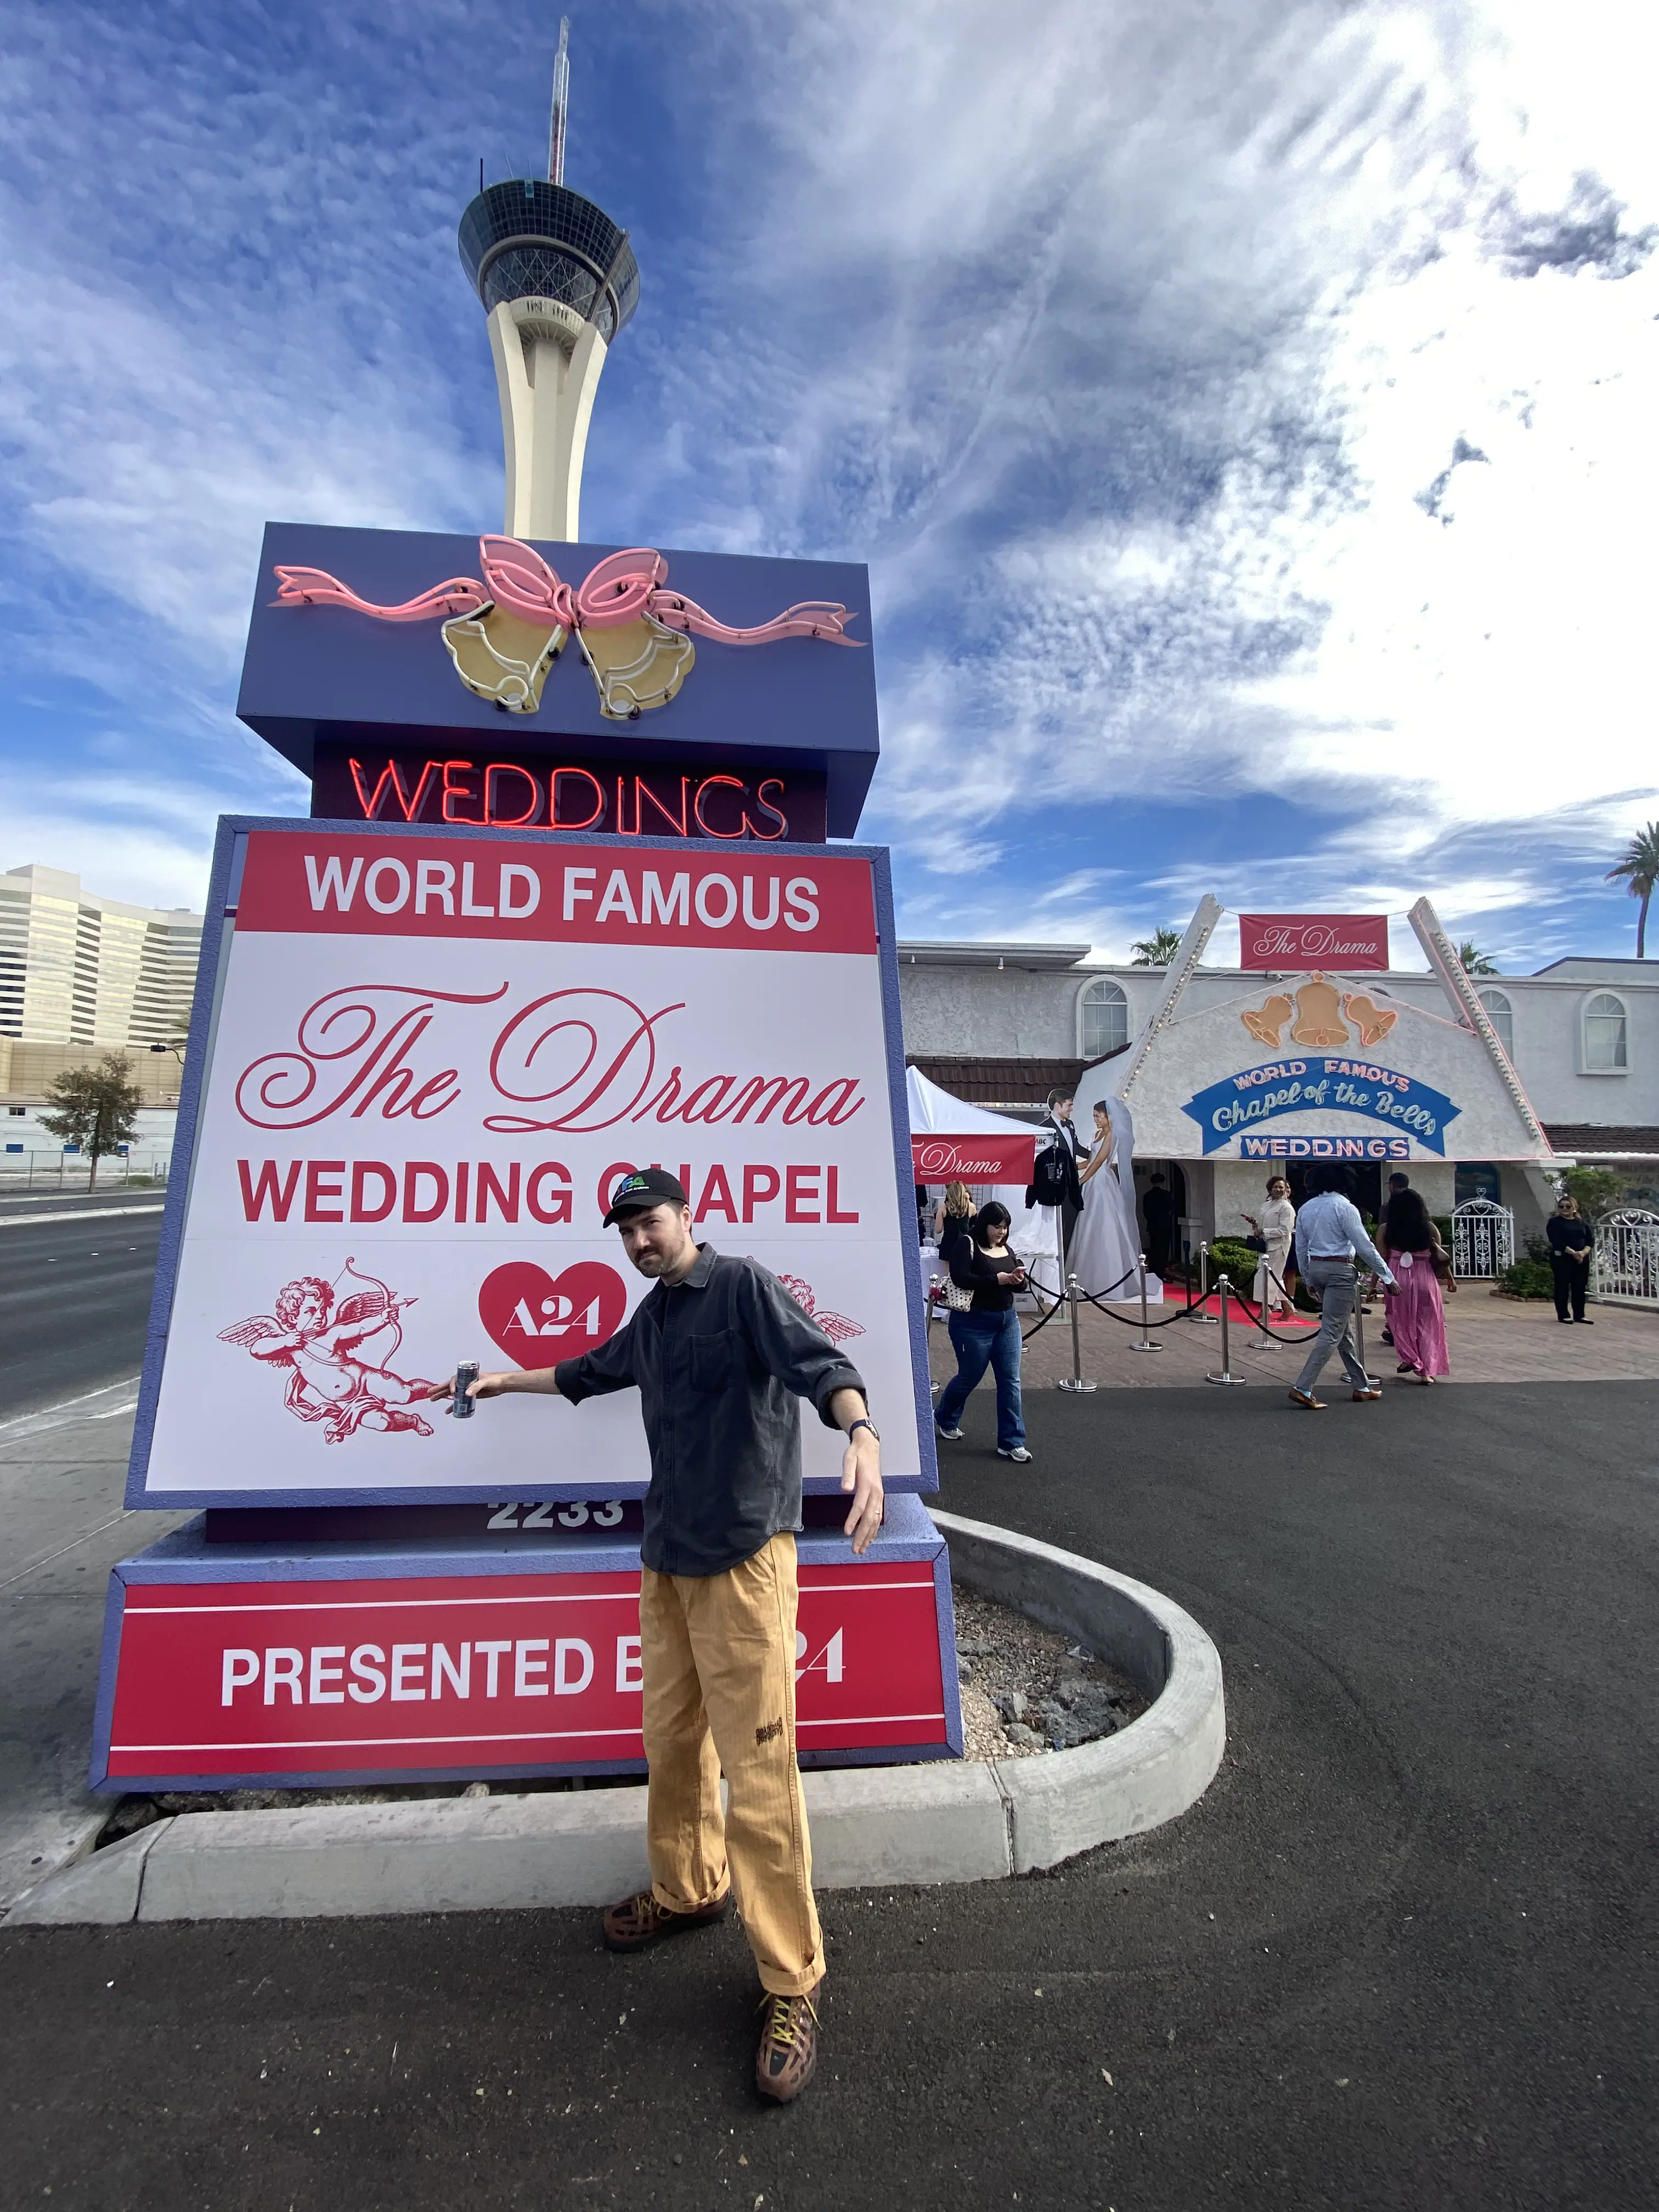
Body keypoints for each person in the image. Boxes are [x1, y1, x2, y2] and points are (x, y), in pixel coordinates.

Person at [429, 1169, 882, 2104]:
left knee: (756, 1765)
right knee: (671, 1744)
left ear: (688, 1218)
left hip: (744, 1558)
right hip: (667, 1558)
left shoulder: (741, 1286)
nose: (639, 1237)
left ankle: (791, 1978)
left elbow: (821, 1368)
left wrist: (863, 1433)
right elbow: (592, 1370)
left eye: (651, 1220)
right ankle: (688, 1888)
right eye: (626, 1228)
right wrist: (501, 1377)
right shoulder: (658, 1315)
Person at [1288, 1165, 1398, 1409]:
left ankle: (1361, 1385)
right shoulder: (1344, 1207)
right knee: (1331, 1332)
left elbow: (1301, 1247)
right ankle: (1303, 1387)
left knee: (1341, 1330)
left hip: (1317, 1267)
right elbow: (1364, 1246)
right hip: (1340, 1270)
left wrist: (1307, 1278)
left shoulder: (1306, 1208)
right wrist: (1388, 1277)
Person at [934, 1200, 1031, 1462]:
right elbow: (960, 1278)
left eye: (1005, 1227)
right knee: (969, 1377)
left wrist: (1018, 1280)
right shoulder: (966, 1244)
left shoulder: (1007, 1249)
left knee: (1011, 1381)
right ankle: (945, 1416)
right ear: (984, 1224)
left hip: (1008, 1321)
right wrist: (996, 1280)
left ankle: (1012, 1442)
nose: (1001, 1232)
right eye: (996, 1227)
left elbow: (1018, 1288)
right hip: (972, 1323)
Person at [1377, 1187, 1456, 1382]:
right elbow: (1440, 1257)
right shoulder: (1429, 1228)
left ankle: (1410, 1358)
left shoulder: (1386, 1230)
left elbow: (1380, 1260)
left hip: (1397, 1278)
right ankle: (1427, 1372)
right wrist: (1450, 1279)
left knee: (1399, 1321)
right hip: (1425, 1278)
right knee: (1429, 1324)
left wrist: (1372, 1286)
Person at [1069, 1099, 1142, 1300]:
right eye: (1094, 1116)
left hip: (1101, 1181)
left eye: (1098, 1116)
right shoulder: (1098, 1133)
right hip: (1093, 1179)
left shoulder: (1111, 1135)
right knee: (1088, 1223)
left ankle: (1109, 1279)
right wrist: (1072, 1168)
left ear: (1108, 1116)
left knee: (1103, 1222)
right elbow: (1090, 1160)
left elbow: (1100, 1161)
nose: (1096, 1120)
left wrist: (1082, 1180)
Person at [1039, 1087, 1088, 1264]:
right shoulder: (1043, 1129)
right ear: (1058, 1106)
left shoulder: (1071, 1125)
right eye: (1069, 1105)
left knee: (1072, 1225)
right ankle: (1054, 1263)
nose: (1071, 1109)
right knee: (1055, 1227)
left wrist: (1095, 1155)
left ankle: (1068, 1263)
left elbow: (1077, 1148)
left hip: (1073, 1186)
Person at [1243, 1176, 1296, 1317]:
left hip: (1279, 1246)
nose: (1279, 1190)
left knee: (1271, 1278)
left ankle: (1266, 1309)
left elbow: (1285, 1230)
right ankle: (1287, 1308)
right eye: (1276, 1187)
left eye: (1281, 1187)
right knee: (1269, 1277)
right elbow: (1262, 1225)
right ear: (1270, 1189)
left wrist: (1265, 1231)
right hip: (1265, 1246)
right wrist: (1256, 1227)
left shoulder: (1287, 1208)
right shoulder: (1267, 1205)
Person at [1547, 1194, 1594, 1323]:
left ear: (1574, 1208)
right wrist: (1573, 1253)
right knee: (1562, 1287)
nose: (1565, 1209)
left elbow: (1590, 1241)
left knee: (1580, 1287)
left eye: (1568, 1206)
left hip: (1581, 1260)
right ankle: (1563, 1315)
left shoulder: (1582, 1223)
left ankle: (1580, 1315)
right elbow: (1555, 1240)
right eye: (1561, 1206)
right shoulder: (1555, 1222)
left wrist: (1583, 1254)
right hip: (1562, 1259)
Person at [1379, 1172, 1410, 1345]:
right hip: (1419, 1264)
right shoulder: (1417, 1204)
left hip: (1395, 1261)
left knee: (1396, 1303)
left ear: (1391, 1186)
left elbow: (1382, 1242)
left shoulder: (1387, 1208)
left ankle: (1396, 1331)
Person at [933, 1180, 975, 1268]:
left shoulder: (943, 1208)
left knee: (949, 1276)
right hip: (964, 1244)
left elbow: (938, 1230)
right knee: (962, 1274)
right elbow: (974, 1224)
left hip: (948, 1245)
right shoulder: (971, 1207)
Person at [1141, 1169, 1175, 1278]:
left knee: (1154, 1249)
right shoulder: (1166, 1194)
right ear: (1162, 1182)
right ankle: (1161, 1272)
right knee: (1163, 1250)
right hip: (1164, 1226)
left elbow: (1145, 1211)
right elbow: (1172, 1208)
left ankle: (1153, 1270)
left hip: (1153, 1226)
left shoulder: (1147, 1195)